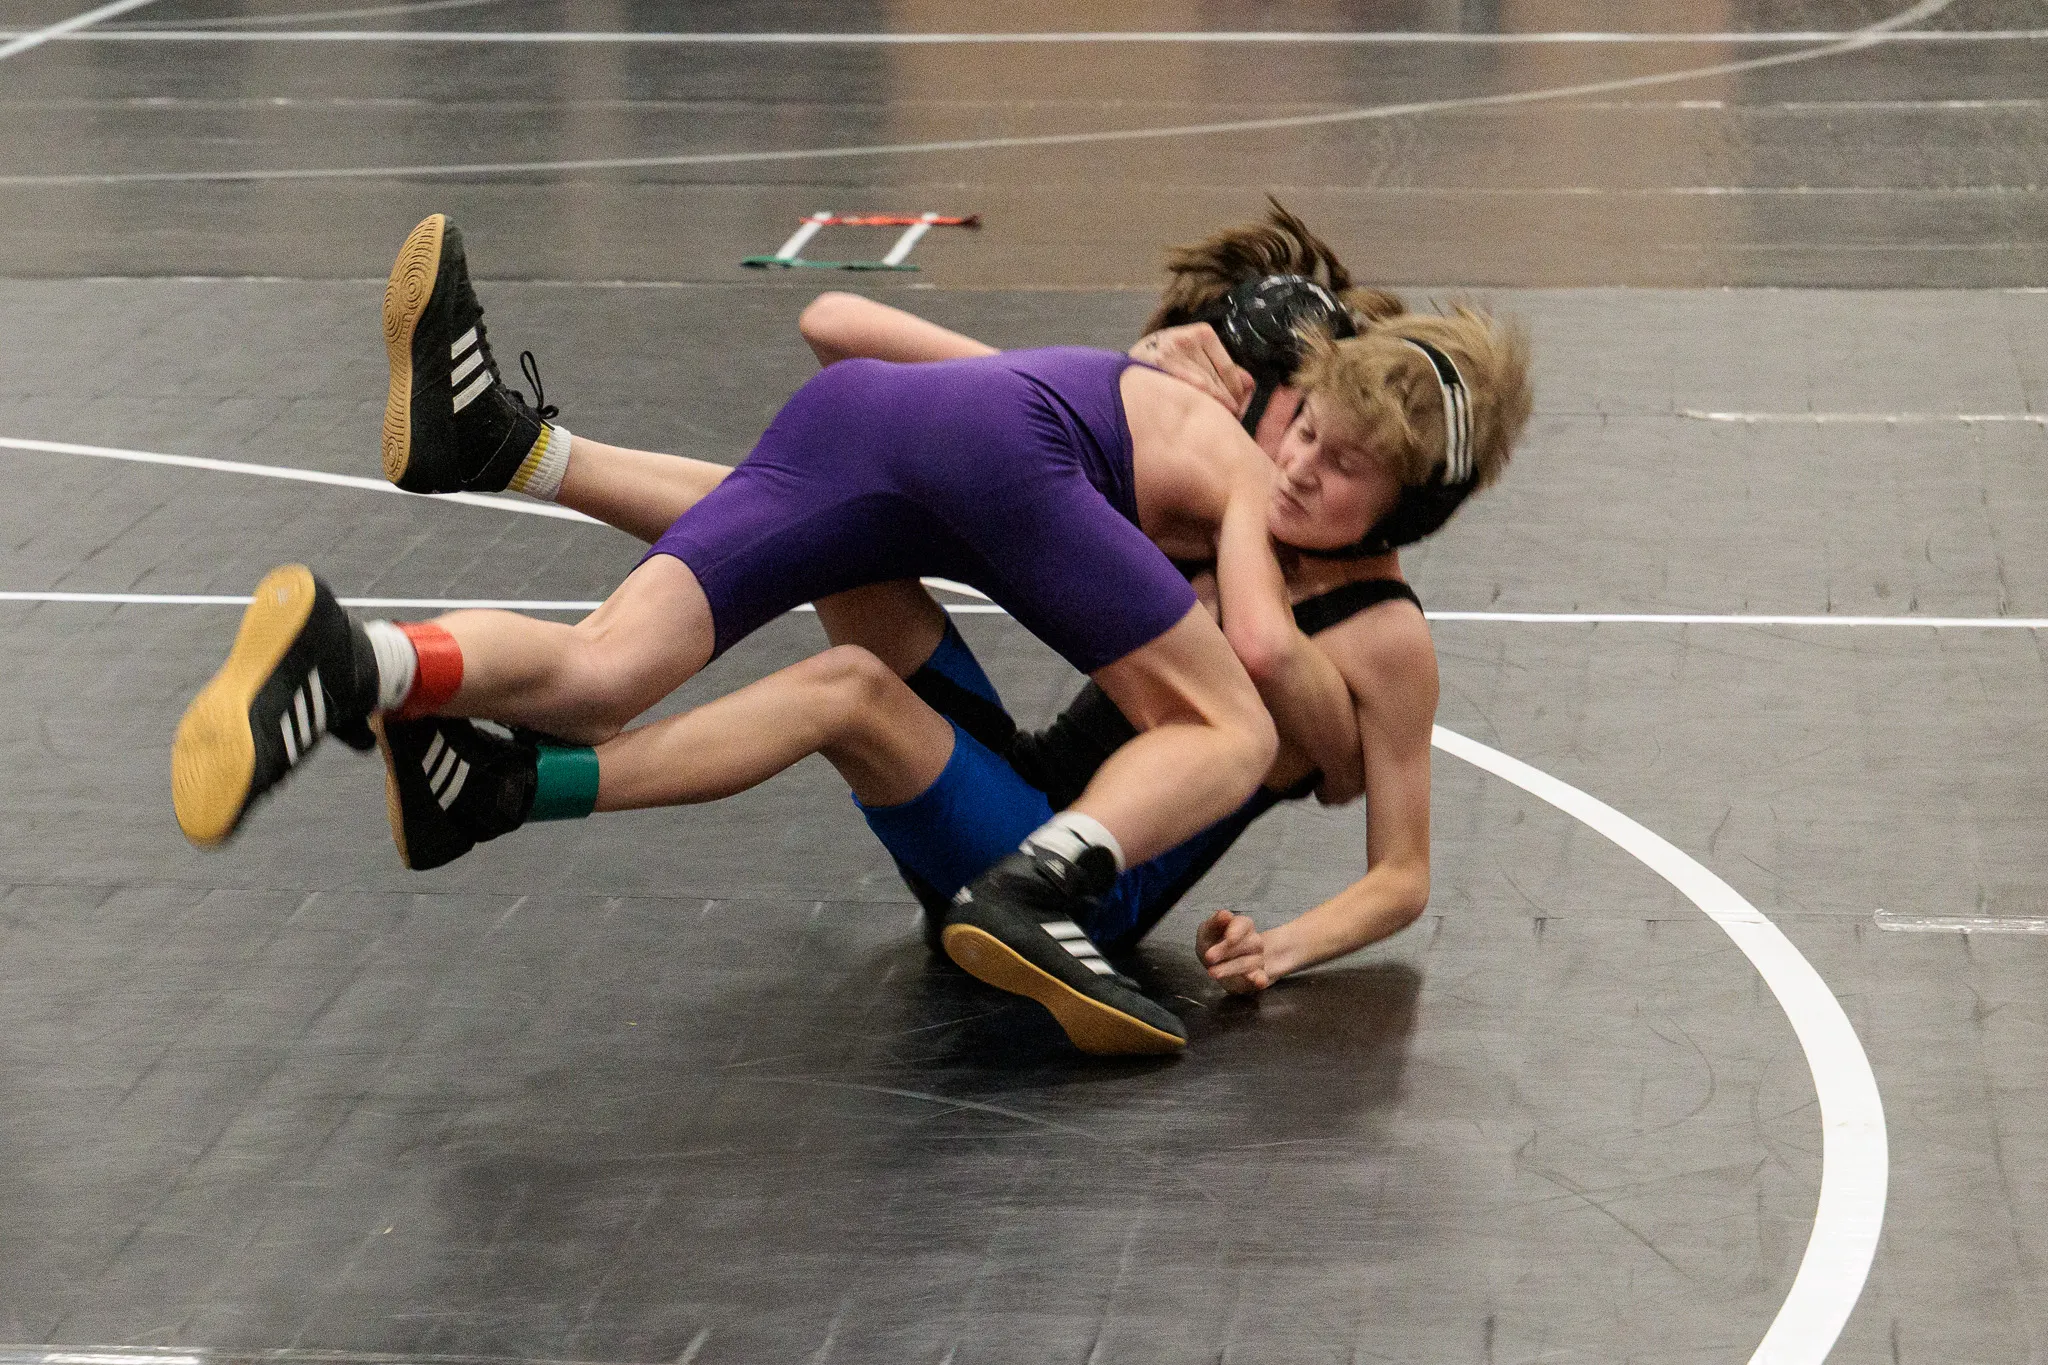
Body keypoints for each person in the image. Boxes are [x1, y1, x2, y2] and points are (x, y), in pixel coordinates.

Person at [171, 205, 1529, 1054]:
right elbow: (1260, 675)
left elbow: (1379, 828)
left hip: (1086, 874)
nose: (1298, 468)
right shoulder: (1215, 501)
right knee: (847, 591)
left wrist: (1286, 938)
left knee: (825, 664)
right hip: (1032, 803)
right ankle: (393, 673)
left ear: (1410, 506)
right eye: (1302, 428)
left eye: (1342, 460)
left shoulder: (1376, 628)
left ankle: (450, 664)